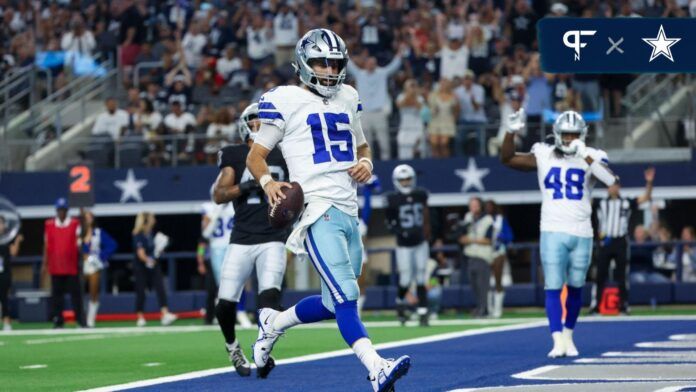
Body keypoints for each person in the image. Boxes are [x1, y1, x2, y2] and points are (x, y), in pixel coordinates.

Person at [247, 29, 411, 391]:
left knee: (332, 301)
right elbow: (255, 156)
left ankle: (273, 322)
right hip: (318, 209)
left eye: (335, 63)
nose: (328, 69)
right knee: (348, 297)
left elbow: (363, 146)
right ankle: (375, 366)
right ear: (304, 63)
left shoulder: (349, 96)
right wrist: (269, 184)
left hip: (349, 210)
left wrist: (366, 164)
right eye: (321, 62)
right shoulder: (284, 99)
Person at [501, 109, 618, 358]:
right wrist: (510, 131)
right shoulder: (544, 153)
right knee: (553, 286)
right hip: (552, 229)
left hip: (582, 230)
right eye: (565, 135)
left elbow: (610, 181)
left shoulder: (593, 155)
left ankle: (568, 336)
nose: (569, 139)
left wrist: (584, 155)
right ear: (557, 134)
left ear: (583, 135)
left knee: (576, 286)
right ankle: (556, 339)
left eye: (574, 135)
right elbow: (508, 159)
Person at [211, 102, 290, 377]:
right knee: (225, 303)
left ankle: (263, 350)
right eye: (254, 121)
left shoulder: (284, 153)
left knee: (269, 298)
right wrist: (246, 185)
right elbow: (219, 195)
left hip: (273, 237)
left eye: (263, 122)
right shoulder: (235, 154)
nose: (259, 126)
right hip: (242, 238)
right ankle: (233, 346)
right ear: (244, 125)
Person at [590, 167, 655, 315]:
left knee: (622, 276)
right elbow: (584, 199)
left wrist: (649, 183)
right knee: (600, 274)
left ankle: (624, 306)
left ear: (619, 187)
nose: (613, 188)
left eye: (615, 185)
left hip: (621, 241)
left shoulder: (626, 202)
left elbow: (645, 197)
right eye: (610, 185)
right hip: (604, 241)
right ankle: (595, 306)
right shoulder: (600, 203)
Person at [385, 164, 431, 326]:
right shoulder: (392, 198)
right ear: (396, 181)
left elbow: (427, 215)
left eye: (408, 179)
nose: (405, 182)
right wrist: (401, 232)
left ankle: (423, 312)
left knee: (420, 276)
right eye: (402, 180)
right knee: (405, 278)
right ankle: (400, 303)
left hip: (420, 242)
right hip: (404, 244)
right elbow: (390, 223)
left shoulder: (421, 194)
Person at [43, 198, 85, 328]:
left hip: (71, 266)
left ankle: (81, 320)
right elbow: (46, 245)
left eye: (63, 210)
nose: (61, 212)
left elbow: (79, 242)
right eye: (59, 210)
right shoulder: (49, 225)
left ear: (67, 211)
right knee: (57, 296)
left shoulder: (74, 224)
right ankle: (58, 320)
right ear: (56, 211)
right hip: (56, 266)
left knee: (76, 295)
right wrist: (45, 264)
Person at [132, 212, 177, 327]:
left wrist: (159, 250)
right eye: (152, 218)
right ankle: (140, 317)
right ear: (146, 220)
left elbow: (154, 250)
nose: (154, 220)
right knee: (141, 291)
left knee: (160, 287)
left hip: (153, 265)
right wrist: (149, 260)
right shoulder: (138, 234)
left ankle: (165, 314)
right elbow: (141, 254)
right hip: (141, 267)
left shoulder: (151, 234)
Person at [80, 210, 117, 328]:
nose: (88, 220)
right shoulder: (78, 232)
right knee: (78, 292)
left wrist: (100, 257)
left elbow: (112, 245)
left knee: (94, 293)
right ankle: (81, 319)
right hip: (81, 265)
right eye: (85, 218)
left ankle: (90, 320)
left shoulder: (98, 232)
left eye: (90, 217)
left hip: (93, 265)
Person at [458, 197, 494, 318]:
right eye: (471, 205)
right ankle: (480, 307)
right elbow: (462, 235)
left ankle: (484, 309)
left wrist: (471, 240)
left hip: (482, 255)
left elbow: (489, 240)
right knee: (474, 284)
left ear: (481, 206)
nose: (473, 208)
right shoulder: (468, 217)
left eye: (476, 205)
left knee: (482, 284)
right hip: (470, 254)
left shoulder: (488, 219)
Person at [486, 200, 514, 318]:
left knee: (498, 280)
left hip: (498, 252)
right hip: (485, 253)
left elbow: (510, 236)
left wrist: (500, 236)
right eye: (486, 207)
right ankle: (488, 308)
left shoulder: (500, 219)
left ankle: (498, 309)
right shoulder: (483, 219)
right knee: (485, 281)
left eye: (490, 206)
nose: (488, 208)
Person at [0, 216, 22, 331]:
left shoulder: (8, 238)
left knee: (4, 298)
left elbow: (14, 252)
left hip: (4, 273)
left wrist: (17, 239)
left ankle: (6, 322)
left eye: (1, 223)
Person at [427, 78, 459, 158]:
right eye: (442, 83)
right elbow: (429, 109)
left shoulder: (453, 96)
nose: (443, 85)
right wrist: (434, 111)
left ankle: (446, 163)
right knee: (434, 144)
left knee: (443, 143)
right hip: (435, 121)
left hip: (447, 121)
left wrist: (454, 119)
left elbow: (457, 109)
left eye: (445, 83)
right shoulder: (433, 95)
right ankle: (436, 164)